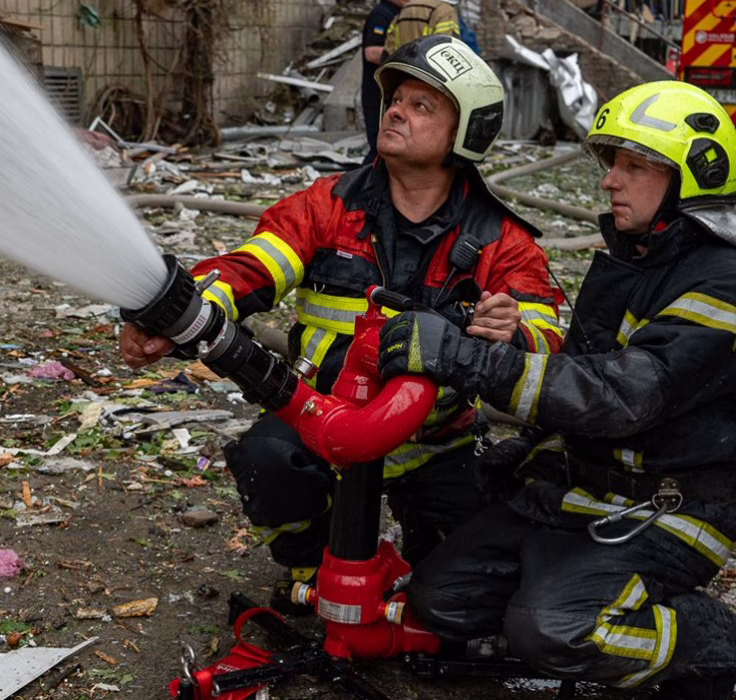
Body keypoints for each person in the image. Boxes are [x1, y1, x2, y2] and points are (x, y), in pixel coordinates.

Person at [375, 81, 736, 699]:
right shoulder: (632, 261)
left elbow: (622, 397)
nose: (609, 181)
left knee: (555, 630)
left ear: (691, 179)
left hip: (673, 508)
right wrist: (529, 443)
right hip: (582, 492)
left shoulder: (724, 287)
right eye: (612, 163)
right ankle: (561, 596)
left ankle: (703, 637)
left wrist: (468, 360)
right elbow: (578, 374)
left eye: (634, 167)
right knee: (441, 601)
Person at [120, 36, 563, 605]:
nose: (396, 111)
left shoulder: (502, 239)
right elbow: (249, 268)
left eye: (422, 105)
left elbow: (548, 340)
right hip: (320, 420)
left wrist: (514, 331)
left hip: (434, 441)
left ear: (466, 133)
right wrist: (173, 315)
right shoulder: (327, 206)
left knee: (461, 594)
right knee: (267, 459)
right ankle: (311, 567)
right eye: (395, 99)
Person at [362, 0, 409, 163]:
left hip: (391, 93)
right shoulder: (382, 14)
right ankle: (364, 178)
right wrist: (408, 54)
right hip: (377, 93)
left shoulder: (401, 13)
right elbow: (372, 53)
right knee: (379, 148)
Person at [383, 0, 461, 59]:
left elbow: (390, 44)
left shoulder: (406, 8)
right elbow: (447, 47)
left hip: (402, 68)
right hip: (429, 71)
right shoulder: (446, 11)